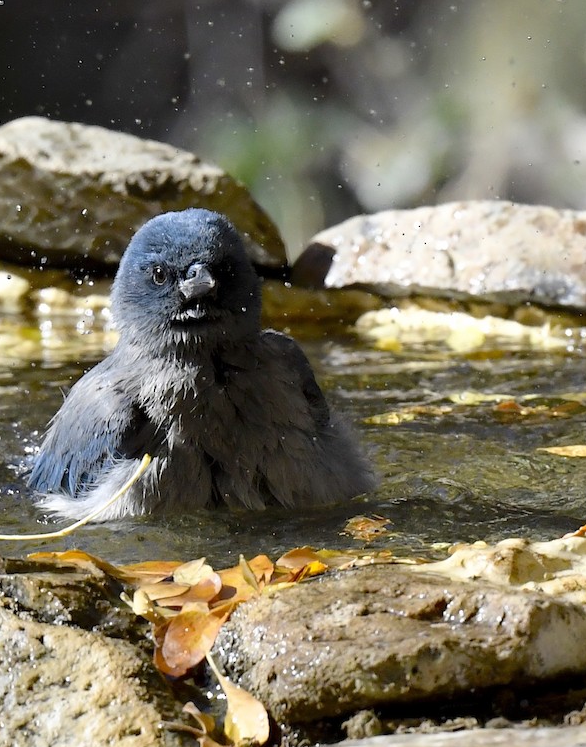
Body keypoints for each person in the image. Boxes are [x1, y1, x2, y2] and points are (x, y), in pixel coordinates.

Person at [28, 208, 377, 521]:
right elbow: (49, 506)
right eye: (164, 278)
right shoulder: (108, 404)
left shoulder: (287, 367)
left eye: (220, 271)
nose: (202, 284)